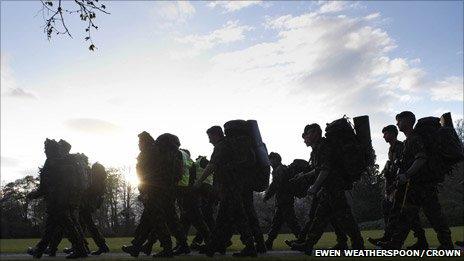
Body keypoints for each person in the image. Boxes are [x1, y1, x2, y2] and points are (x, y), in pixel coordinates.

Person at [380, 111, 453, 249]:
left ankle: (446, 244)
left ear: (407, 121)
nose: (397, 124)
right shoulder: (409, 140)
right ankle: (396, 244)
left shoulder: (414, 139)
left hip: (423, 186)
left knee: (433, 215)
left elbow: (421, 158)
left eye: (399, 121)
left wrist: (406, 175)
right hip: (415, 186)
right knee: (407, 216)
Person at [290, 124, 364, 255]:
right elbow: (318, 169)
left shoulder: (324, 147)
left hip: (334, 187)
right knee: (319, 218)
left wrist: (314, 187)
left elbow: (325, 169)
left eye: (306, 135)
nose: (304, 139)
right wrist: (304, 175)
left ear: (314, 133)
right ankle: (308, 245)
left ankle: (358, 246)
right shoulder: (318, 149)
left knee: (345, 217)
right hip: (328, 189)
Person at [195, 125, 257, 257]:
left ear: (216, 135)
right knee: (235, 218)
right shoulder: (230, 145)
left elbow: (212, 165)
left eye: (210, 137)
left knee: (225, 218)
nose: (209, 140)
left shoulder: (221, 146)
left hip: (229, 187)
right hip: (234, 186)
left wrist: (199, 181)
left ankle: (214, 247)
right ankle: (223, 245)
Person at [368, 125, 427, 249]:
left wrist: (396, 185)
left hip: (405, 184)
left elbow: (403, 166)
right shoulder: (391, 150)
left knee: (404, 213)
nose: (384, 136)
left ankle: (395, 240)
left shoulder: (400, 147)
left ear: (393, 134)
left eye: (386, 133)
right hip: (397, 185)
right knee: (403, 213)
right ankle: (391, 237)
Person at [27, 139, 88, 259]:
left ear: (50, 150)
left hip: (56, 202)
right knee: (51, 228)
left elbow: (44, 187)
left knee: (68, 227)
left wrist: (32, 195)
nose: (44, 151)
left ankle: (81, 250)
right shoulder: (65, 162)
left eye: (46, 149)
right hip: (65, 201)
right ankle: (39, 251)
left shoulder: (50, 163)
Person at [263, 152, 301, 250]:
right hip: (284, 200)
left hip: (284, 201)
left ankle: (302, 240)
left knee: (291, 222)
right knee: (276, 223)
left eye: (270, 160)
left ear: (275, 160)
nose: (269, 162)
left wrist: (267, 196)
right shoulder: (281, 169)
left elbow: (275, 185)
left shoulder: (279, 170)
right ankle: (268, 242)